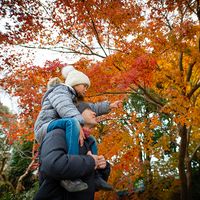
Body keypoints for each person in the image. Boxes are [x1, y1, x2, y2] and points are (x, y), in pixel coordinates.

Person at [34, 66, 121, 192]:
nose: (86, 89)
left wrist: (109, 106)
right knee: (72, 122)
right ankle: (69, 175)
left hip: (60, 123)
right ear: (75, 83)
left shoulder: (74, 99)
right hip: (46, 126)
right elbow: (65, 107)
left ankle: (95, 174)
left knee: (90, 139)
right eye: (84, 85)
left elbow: (90, 107)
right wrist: (78, 123)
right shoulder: (60, 90)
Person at [34, 102, 112, 200]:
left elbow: (92, 186)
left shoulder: (89, 142)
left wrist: (103, 167)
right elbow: (53, 165)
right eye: (89, 110)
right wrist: (90, 161)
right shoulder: (57, 134)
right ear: (77, 113)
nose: (94, 113)